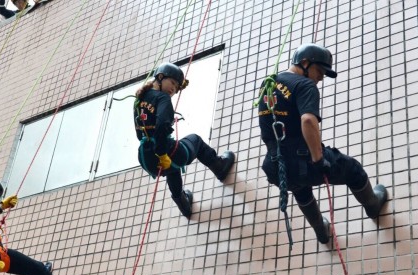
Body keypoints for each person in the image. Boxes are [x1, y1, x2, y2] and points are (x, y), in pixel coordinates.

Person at [258, 43, 388, 244]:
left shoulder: (269, 84)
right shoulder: (304, 85)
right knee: (352, 169)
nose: (320, 78)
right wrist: (318, 160)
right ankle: (372, 205)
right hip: (302, 160)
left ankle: (321, 231)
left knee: (301, 189)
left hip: (275, 166)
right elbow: (308, 120)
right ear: (304, 63)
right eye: (319, 71)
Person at [133, 62, 236, 218]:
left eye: (176, 87)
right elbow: (161, 126)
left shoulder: (139, 99)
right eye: (172, 83)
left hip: (146, 157)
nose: (173, 89)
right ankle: (219, 167)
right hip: (165, 152)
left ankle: (183, 203)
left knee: (172, 170)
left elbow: (140, 129)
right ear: (160, 77)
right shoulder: (163, 98)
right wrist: (162, 154)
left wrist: (156, 150)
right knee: (195, 141)